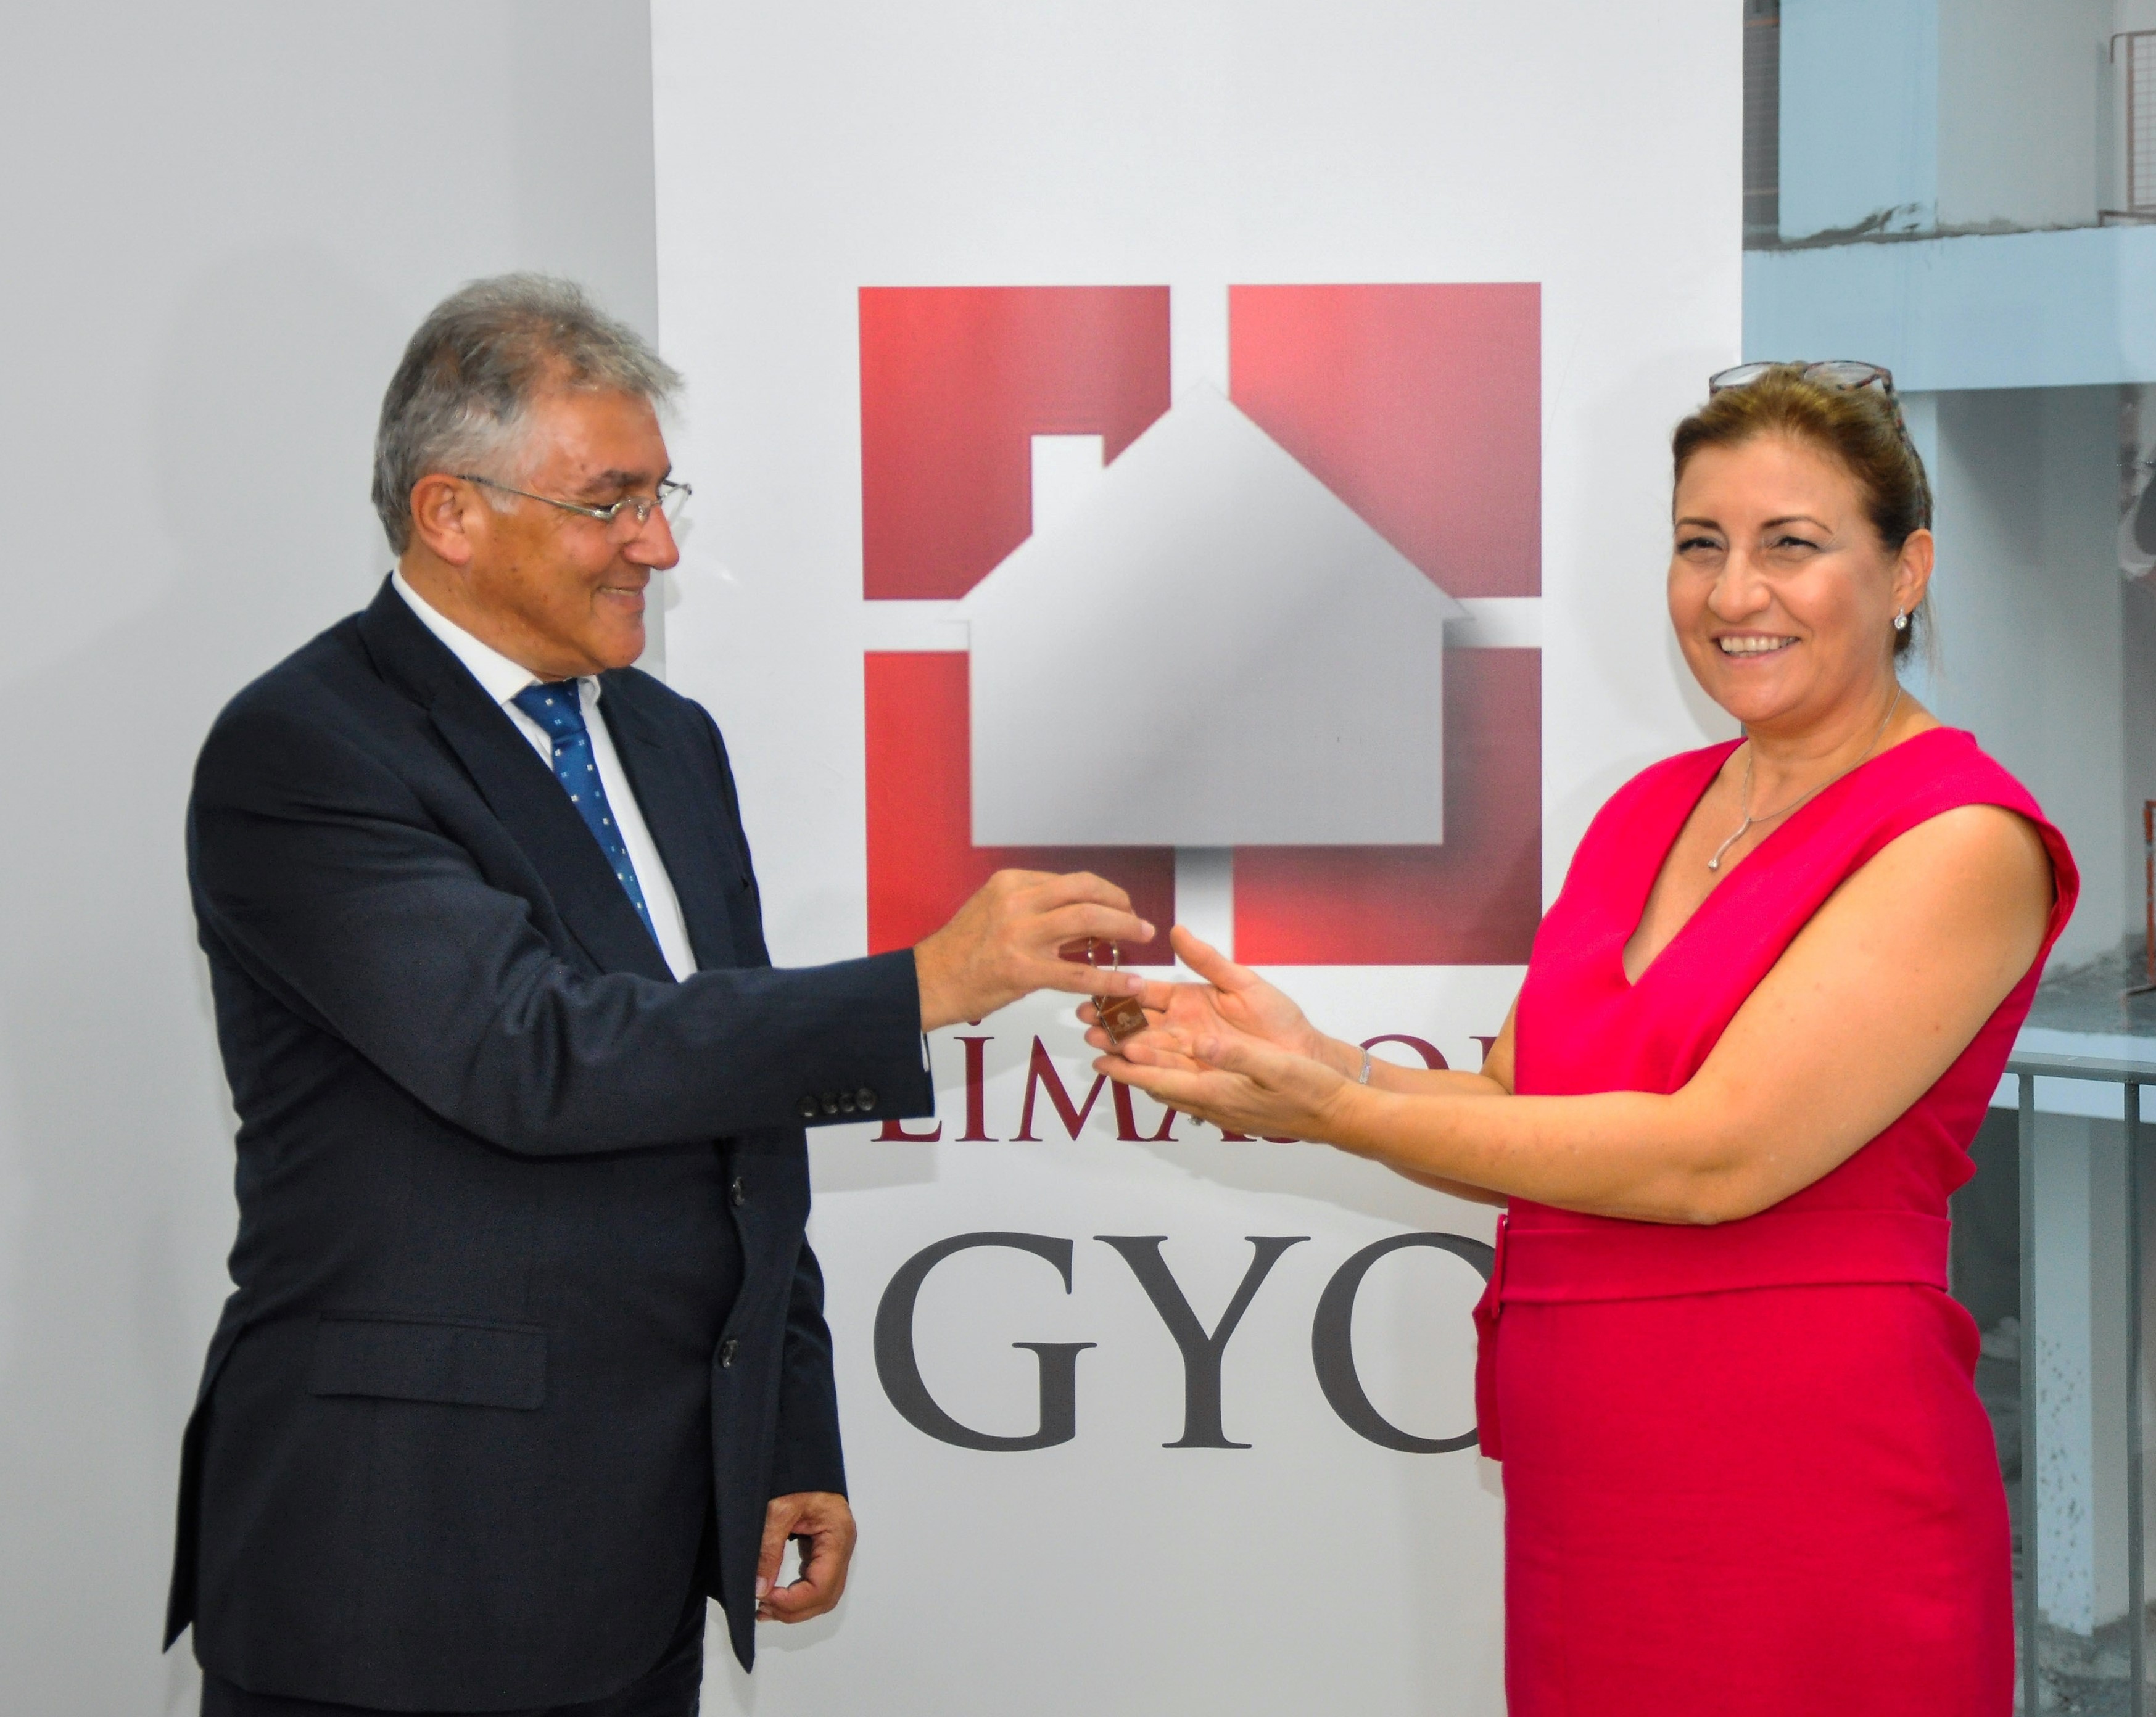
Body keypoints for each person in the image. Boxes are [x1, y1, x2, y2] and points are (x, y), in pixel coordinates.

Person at [167, 274, 1152, 1717]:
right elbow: (529, 1053)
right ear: (450, 513)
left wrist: (785, 1431)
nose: (659, 543)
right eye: (609, 502)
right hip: (398, 1551)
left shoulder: (666, 738)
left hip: (637, 1550)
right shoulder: (307, 748)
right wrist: (924, 986)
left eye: (658, 493)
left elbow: (738, 1111)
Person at [1096, 362, 2077, 1716]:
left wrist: (1333, 1109)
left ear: (1905, 570)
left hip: (1813, 1499)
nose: (1733, 593)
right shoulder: (1645, 810)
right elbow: (1519, 1108)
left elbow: (1713, 1160)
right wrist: (1309, 1064)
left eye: (1790, 545)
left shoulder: (1958, 837)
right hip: (1594, 1506)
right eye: (1699, 544)